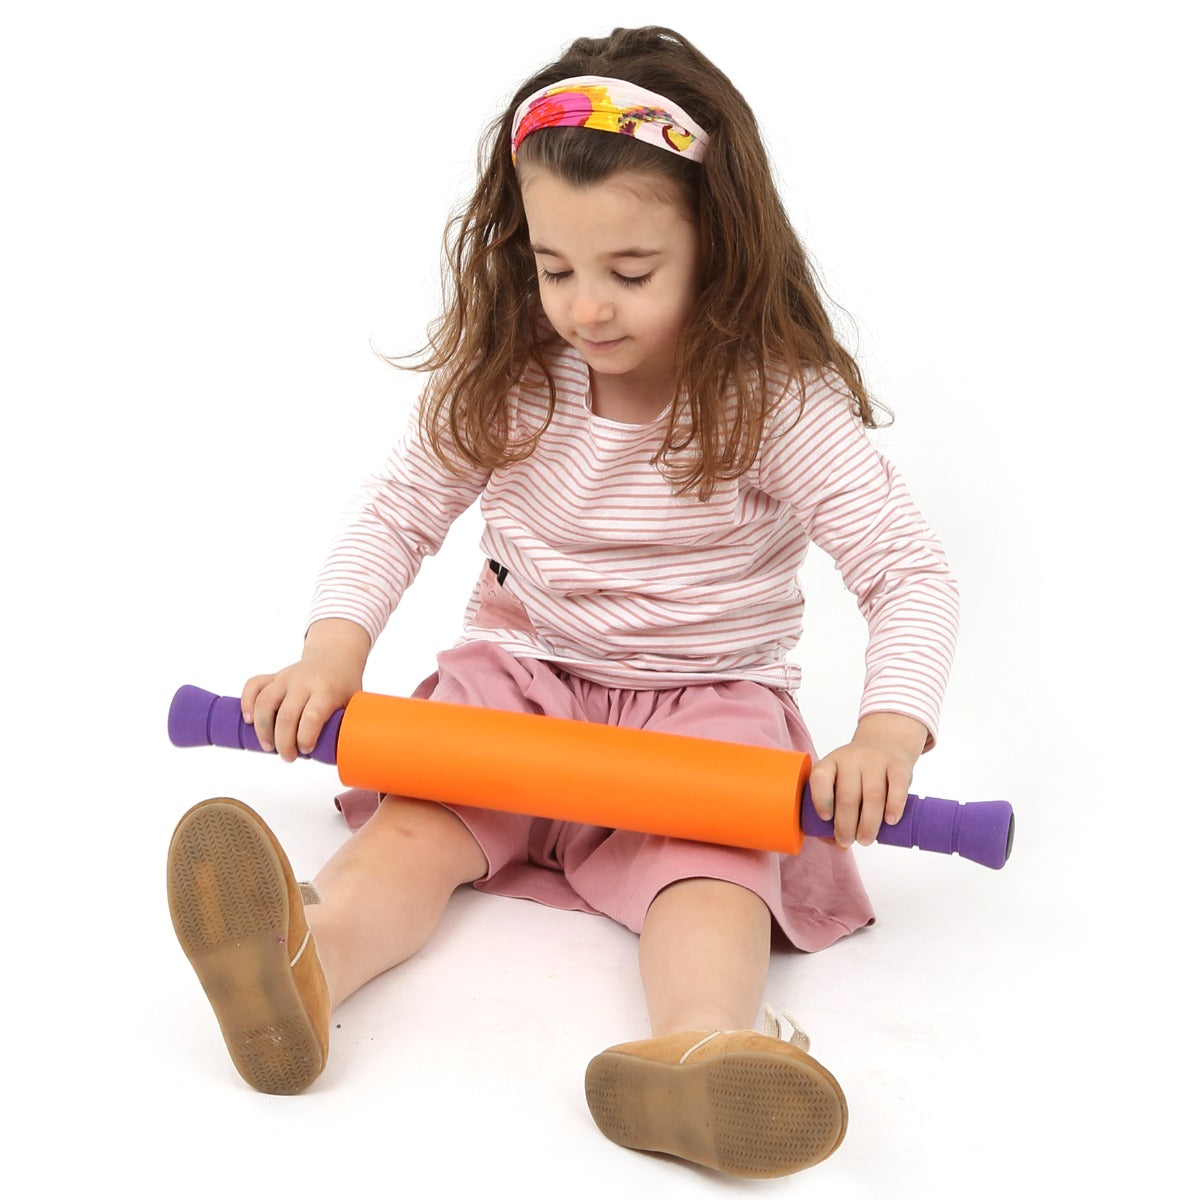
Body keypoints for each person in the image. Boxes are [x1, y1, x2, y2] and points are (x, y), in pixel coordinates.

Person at [167, 25, 958, 1179]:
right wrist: (330, 656)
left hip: (705, 710)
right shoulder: (512, 378)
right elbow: (397, 514)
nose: (586, 307)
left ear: (718, 249)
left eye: (630, 272)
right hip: (520, 678)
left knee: (710, 878)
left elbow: (909, 570)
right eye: (554, 268)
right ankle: (309, 961)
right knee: (420, 825)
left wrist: (888, 730)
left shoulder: (775, 404)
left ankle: (698, 1049)